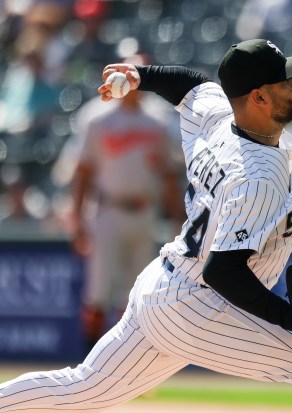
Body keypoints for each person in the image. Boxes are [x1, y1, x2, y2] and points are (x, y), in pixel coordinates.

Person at [0, 39, 292, 413]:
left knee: (84, 388)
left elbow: (188, 84)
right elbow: (224, 272)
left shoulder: (220, 116)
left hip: (163, 285)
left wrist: (140, 75)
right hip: (197, 306)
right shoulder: (256, 176)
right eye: (285, 81)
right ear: (258, 98)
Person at [68, 55, 186, 351]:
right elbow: (83, 172)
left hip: (145, 211)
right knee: (98, 293)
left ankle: (128, 368)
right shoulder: (97, 117)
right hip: (108, 210)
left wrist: (177, 220)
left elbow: (169, 175)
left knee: (137, 296)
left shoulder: (158, 121)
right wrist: (77, 219)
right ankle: (87, 364)